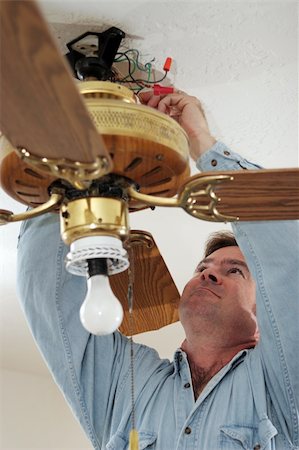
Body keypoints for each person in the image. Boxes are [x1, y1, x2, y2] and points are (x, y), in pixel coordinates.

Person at [17, 90, 299, 450]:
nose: (208, 274)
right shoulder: (131, 385)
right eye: (203, 266)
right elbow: (49, 297)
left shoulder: (278, 386)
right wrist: (67, 180)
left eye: (235, 271)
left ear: (264, 314)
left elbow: (289, 259)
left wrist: (202, 145)